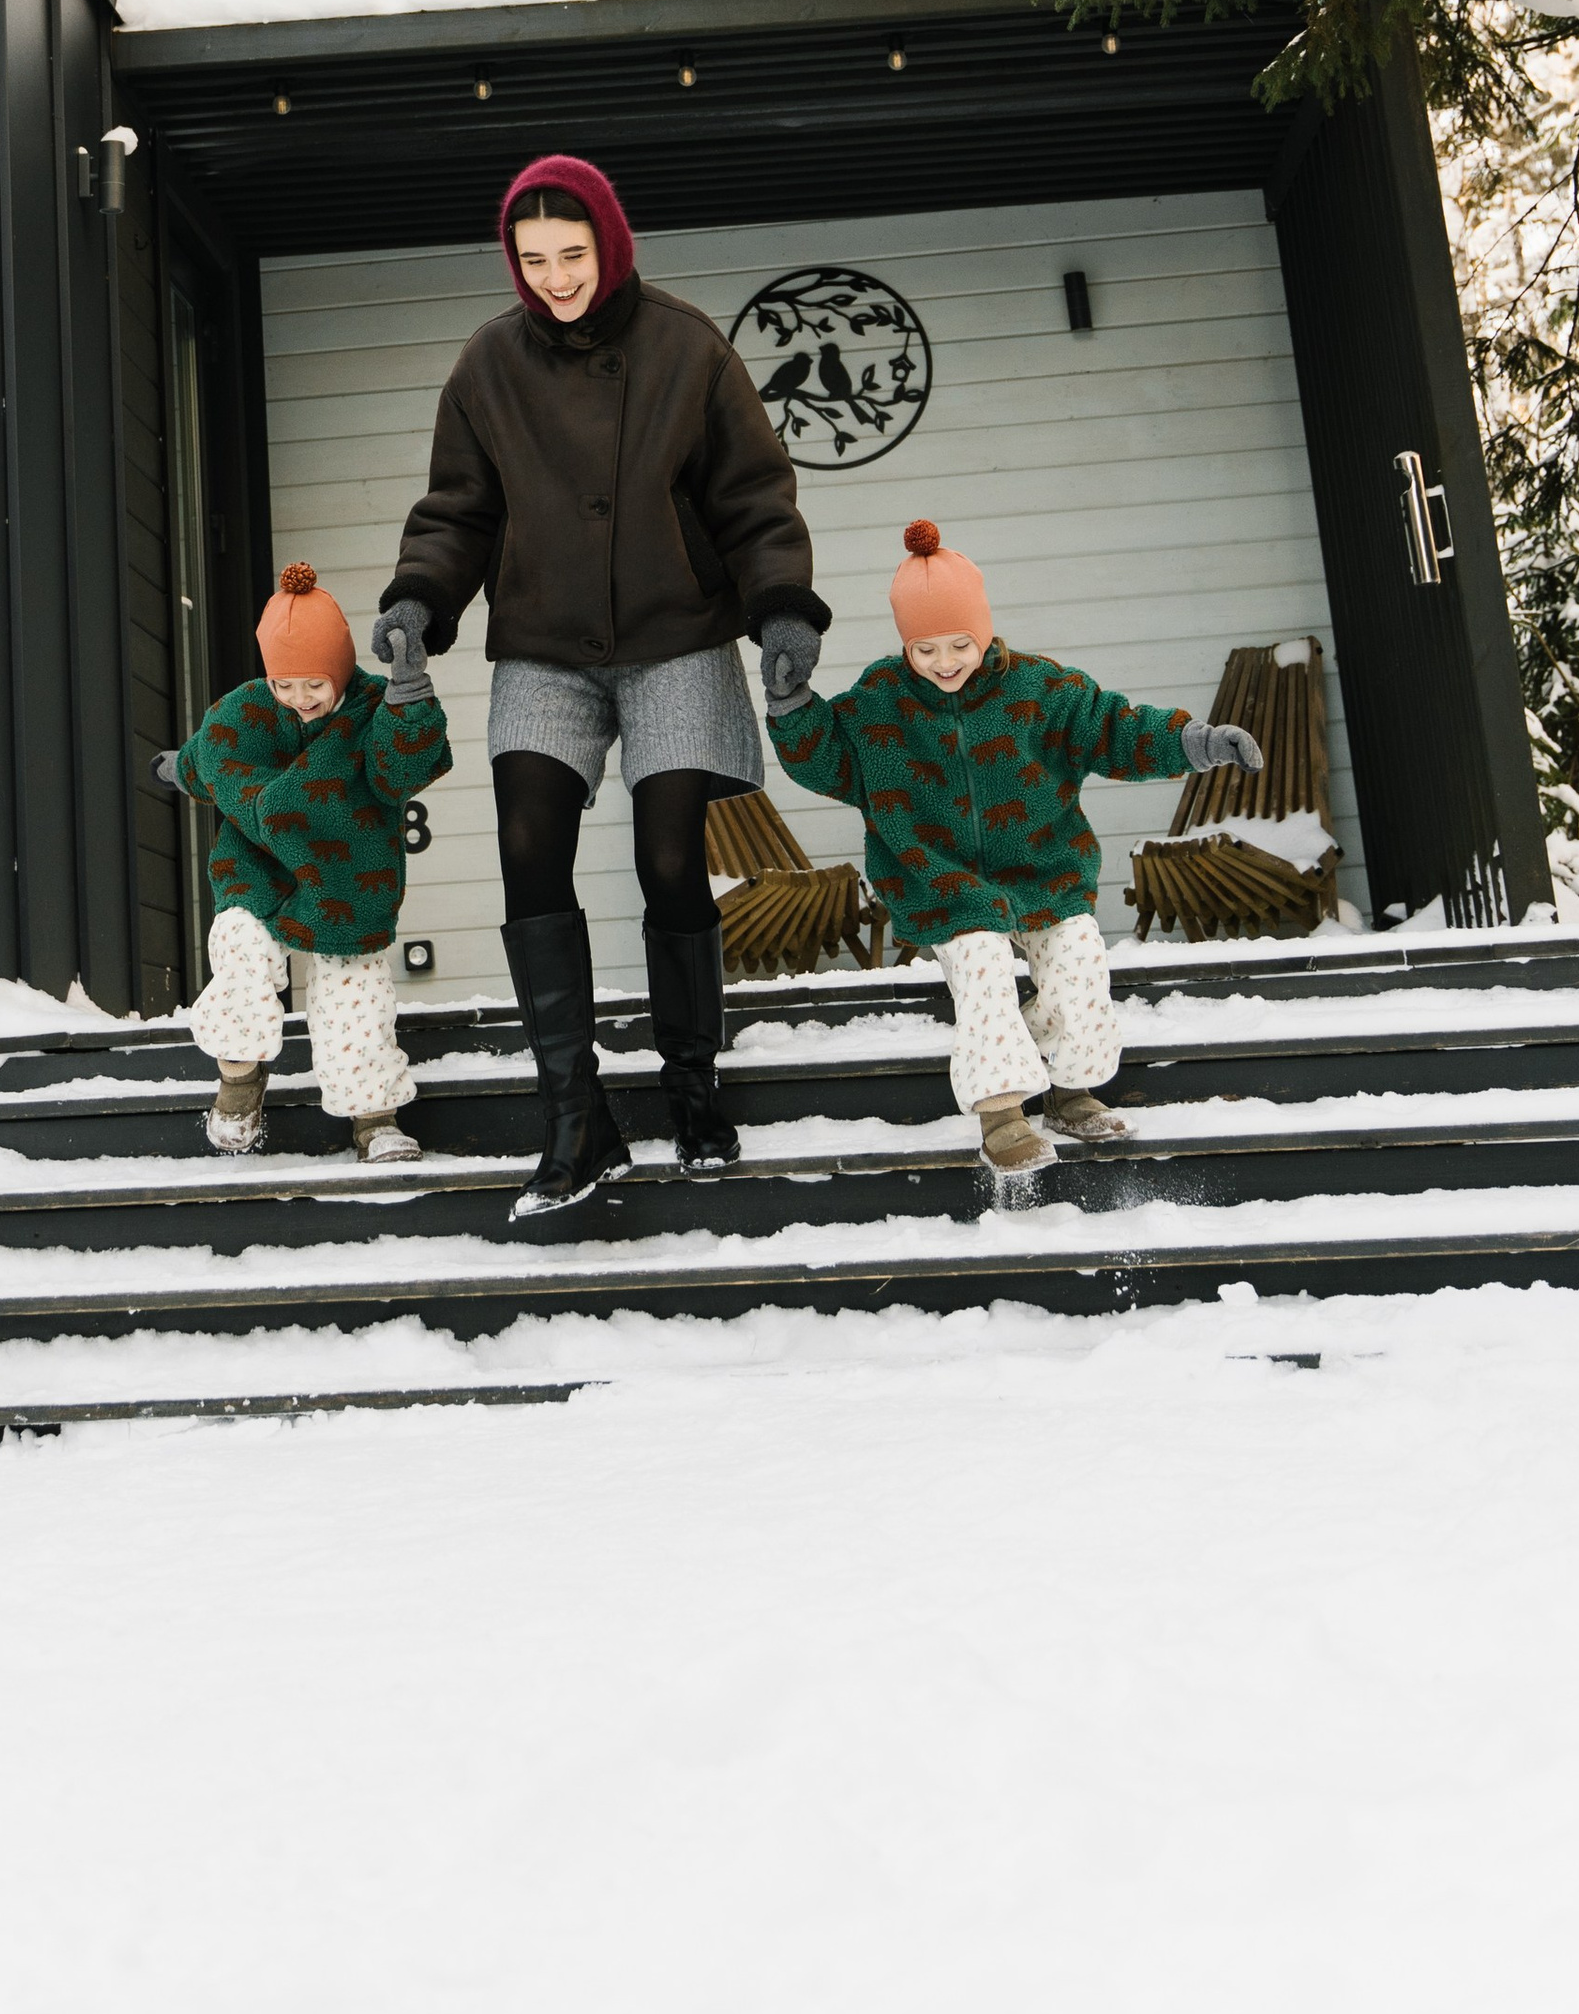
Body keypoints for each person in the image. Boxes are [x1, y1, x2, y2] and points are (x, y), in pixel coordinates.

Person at [370, 154, 830, 1224]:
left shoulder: (684, 345)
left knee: (668, 855)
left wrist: (782, 610)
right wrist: (418, 601)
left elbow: (751, 494)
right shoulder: (488, 365)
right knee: (528, 842)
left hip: (675, 636)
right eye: (533, 261)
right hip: (544, 644)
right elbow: (457, 511)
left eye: (572, 255)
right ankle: (575, 1119)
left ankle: (690, 1082)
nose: (556, 278)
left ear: (610, 243)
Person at [765, 516, 1262, 1173]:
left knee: (1079, 958)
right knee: (982, 965)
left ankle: (1069, 1089)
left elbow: (1117, 730)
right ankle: (1001, 1110)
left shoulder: (1040, 690)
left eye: (959, 644)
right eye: (926, 649)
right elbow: (827, 759)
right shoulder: (881, 702)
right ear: (905, 647)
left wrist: (1196, 744)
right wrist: (792, 703)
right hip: (939, 877)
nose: (945, 662)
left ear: (985, 630)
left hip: (1042, 868)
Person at [152, 560, 450, 1162]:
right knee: (238, 950)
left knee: (353, 990)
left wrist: (410, 694)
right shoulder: (249, 709)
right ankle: (239, 1082)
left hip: (347, 874)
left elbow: (403, 769)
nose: (299, 699)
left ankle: (374, 1115)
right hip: (258, 865)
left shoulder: (372, 707)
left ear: (339, 667)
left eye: (313, 684)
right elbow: (212, 756)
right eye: (284, 684)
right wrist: (179, 769)